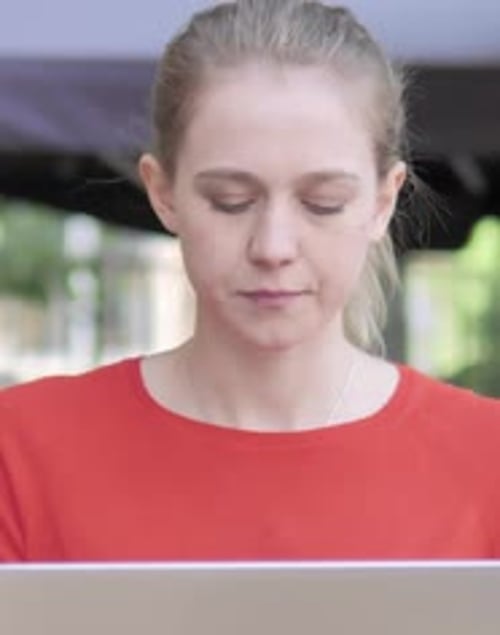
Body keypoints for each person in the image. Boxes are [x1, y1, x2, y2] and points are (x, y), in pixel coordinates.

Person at [0, 0, 499, 562]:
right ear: (163, 193)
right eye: (230, 202)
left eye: (322, 204)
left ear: (384, 201)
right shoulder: (23, 456)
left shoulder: (487, 461)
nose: (273, 248)